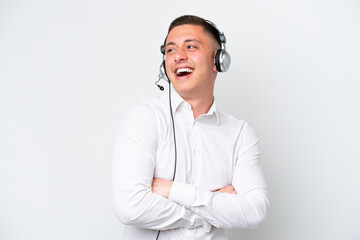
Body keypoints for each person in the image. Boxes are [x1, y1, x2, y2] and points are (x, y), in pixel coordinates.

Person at [113, 15, 269, 240]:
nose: (179, 57)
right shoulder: (144, 118)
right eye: (170, 50)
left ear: (218, 60)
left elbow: (255, 212)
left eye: (191, 46)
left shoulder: (240, 134)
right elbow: (130, 206)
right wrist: (210, 209)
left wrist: (173, 191)